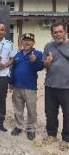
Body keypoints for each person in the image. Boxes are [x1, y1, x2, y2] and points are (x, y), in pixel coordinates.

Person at [10, 33, 44, 140]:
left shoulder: (38, 53)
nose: (27, 42)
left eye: (30, 40)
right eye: (25, 40)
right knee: (18, 109)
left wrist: (35, 61)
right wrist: (11, 82)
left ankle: (31, 129)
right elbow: (13, 69)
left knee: (31, 110)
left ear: (33, 42)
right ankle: (19, 126)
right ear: (22, 42)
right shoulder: (17, 54)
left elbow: (40, 67)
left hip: (30, 87)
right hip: (17, 86)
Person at [42, 22, 69, 151]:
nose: (58, 34)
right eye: (55, 32)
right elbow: (45, 65)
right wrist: (47, 62)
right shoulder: (48, 46)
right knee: (50, 112)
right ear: (52, 34)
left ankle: (66, 138)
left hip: (67, 87)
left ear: (65, 31)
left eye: (60, 31)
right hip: (50, 85)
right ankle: (51, 134)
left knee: (68, 113)